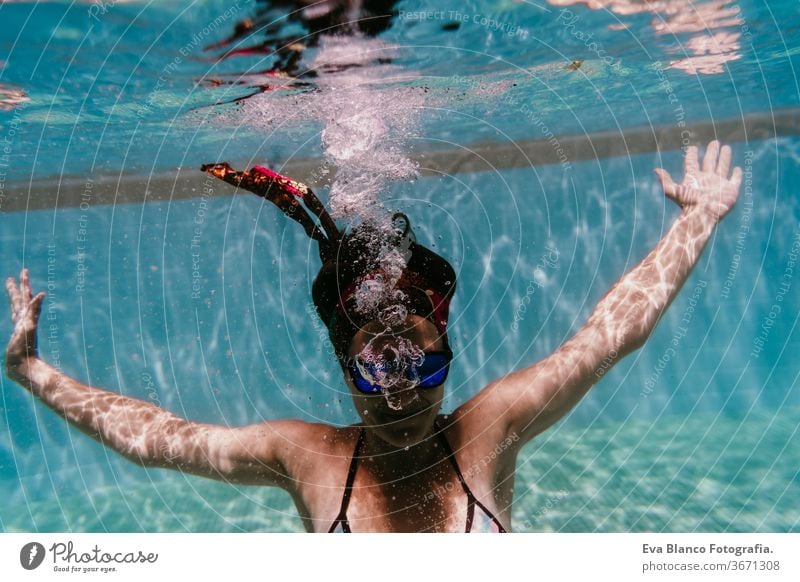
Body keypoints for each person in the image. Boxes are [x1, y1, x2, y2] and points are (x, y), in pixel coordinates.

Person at [5, 140, 742, 532]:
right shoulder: (306, 459)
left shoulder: (488, 429)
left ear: (449, 353)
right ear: (341, 360)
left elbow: (606, 338)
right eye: (377, 368)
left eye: (422, 365)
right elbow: (159, 438)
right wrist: (33, 373)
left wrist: (696, 220)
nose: (401, 396)